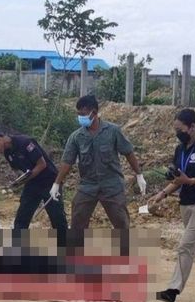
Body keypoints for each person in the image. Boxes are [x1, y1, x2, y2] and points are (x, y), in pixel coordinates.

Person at [50, 95, 147, 231]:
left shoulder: (113, 131)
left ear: (94, 113)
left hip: (112, 184)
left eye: (83, 114)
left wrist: (139, 175)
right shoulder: (76, 137)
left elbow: (128, 152)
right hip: (88, 185)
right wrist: (56, 183)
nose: (80, 118)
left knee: (121, 221)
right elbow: (67, 161)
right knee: (78, 217)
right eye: (78, 114)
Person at [151, 109, 195, 302]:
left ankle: (173, 290)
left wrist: (190, 181)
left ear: (192, 126)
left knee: (186, 246)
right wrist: (162, 193)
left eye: (180, 129)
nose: (178, 133)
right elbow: (179, 179)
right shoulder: (180, 149)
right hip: (185, 203)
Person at [0, 131, 68, 240]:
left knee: (57, 217)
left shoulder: (24, 142)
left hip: (49, 182)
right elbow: (18, 170)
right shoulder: (7, 153)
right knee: (22, 217)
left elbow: (42, 164)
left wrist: (25, 179)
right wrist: (18, 181)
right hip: (32, 183)